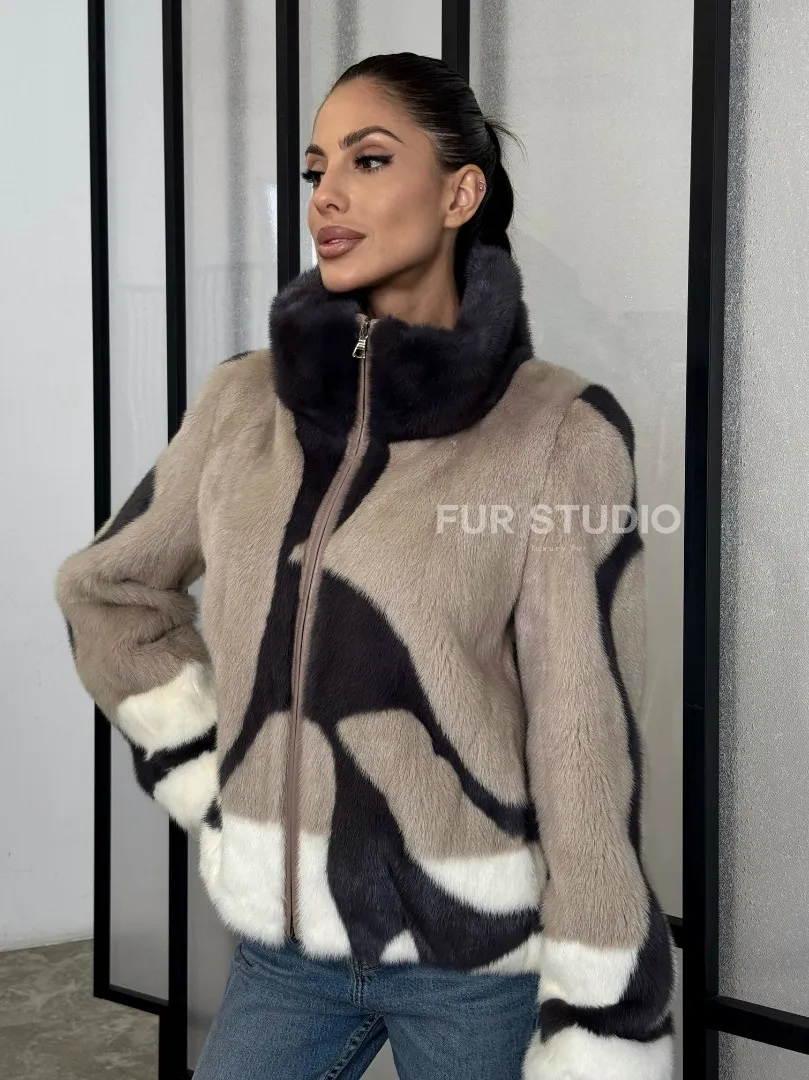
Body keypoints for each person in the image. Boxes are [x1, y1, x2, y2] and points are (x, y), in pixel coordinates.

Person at [55, 51, 676, 1080]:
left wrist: (600, 1005)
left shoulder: (556, 432)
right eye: (315, 169)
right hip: (285, 950)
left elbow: (582, 733)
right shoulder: (242, 404)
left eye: (369, 159)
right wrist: (213, 775)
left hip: (473, 955)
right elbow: (107, 590)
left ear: (459, 194)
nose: (326, 195)